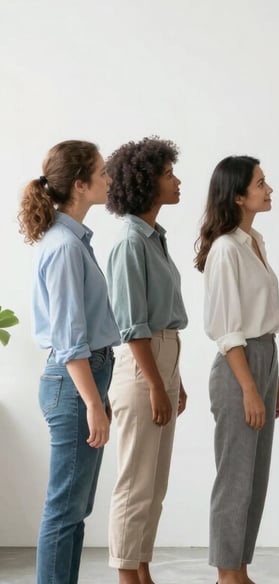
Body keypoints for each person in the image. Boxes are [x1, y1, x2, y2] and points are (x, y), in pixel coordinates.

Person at [18, 140, 120, 584]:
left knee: (78, 508)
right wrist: (93, 402)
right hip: (73, 381)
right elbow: (69, 339)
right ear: (80, 184)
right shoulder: (63, 247)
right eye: (102, 172)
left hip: (85, 379)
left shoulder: (73, 241)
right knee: (64, 508)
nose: (109, 179)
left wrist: (98, 396)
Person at [195, 155, 279, 584]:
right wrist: (250, 388)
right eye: (261, 183)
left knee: (257, 476)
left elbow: (260, 318)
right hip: (239, 366)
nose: (268, 189)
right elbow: (228, 330)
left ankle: (240, 570)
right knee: (234, 477)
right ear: (237, 195)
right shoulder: (226, 249)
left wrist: (274, 381)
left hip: (263, 358)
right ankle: (227, 575)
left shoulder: (254, 241)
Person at [105, 137, 188, 584]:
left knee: (154, 484)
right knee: (135, 482)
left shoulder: (155, 238)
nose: (177, 181)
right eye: (169, 174)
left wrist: (175, 378)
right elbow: (132, 326)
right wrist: (157, 384)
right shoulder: (129, 244)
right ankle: (125, 576)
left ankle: (141, 569)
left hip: (165, 356)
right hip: (143, 364)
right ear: (146, 182)